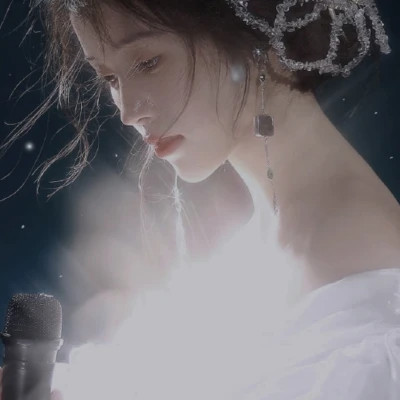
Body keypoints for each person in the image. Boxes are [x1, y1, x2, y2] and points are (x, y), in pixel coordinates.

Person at [1, 0, 400, 399]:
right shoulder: (255, 246)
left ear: (254, 37)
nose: (128, 111)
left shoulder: (365, 284)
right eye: (109, 78)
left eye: (148, 63)